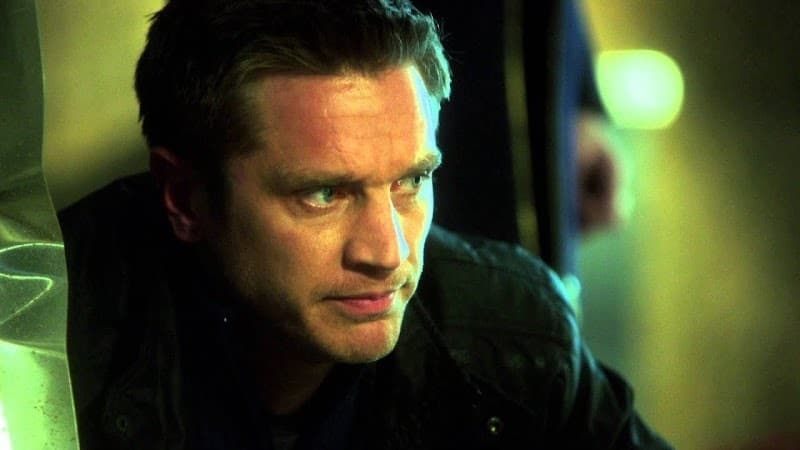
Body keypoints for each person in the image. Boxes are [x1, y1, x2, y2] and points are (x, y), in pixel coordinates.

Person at [59, 0, 672, 448]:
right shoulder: (50, 330)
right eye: (324, 194)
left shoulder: (513, 332)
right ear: (184, 198)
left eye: (412, 180)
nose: (389, 252)